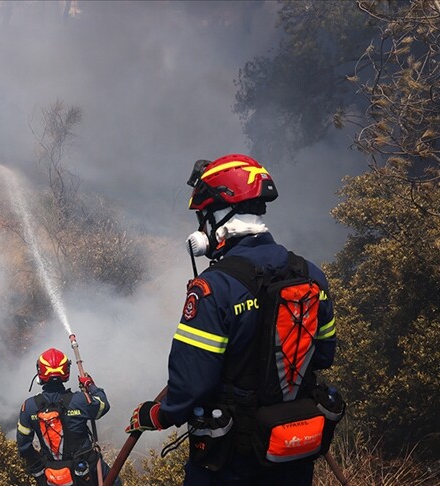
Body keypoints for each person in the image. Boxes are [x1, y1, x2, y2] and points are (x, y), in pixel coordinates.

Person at [125, 154, 338, 485]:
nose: (202, 228)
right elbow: (324, 354)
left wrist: (157, 414)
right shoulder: (311, 274)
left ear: (220, 215)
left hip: (231, 461)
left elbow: (193, 383)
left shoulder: (214, 287)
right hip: (293, 450)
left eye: (204, 217)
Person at [18, 347, 121, 486]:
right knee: (113, 480)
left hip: (50, 474)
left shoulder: (29, 407)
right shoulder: (80, 400)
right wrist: (90, 385)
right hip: (85, 471)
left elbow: (23, 447)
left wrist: (41, 466)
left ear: (40, 371)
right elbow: (103, 405)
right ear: (66, 370)